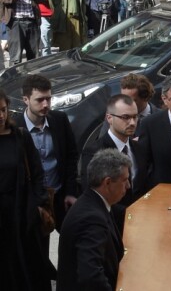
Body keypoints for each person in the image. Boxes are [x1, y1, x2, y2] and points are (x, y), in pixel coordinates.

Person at [0, 90, 55, 291]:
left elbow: (38, 173)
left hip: (21, 215)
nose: (0, 115)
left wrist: (36, 205)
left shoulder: (20, 137)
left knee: (26, 267)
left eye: (3, 110)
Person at [57, 148, 129, 291]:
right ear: (107, 182)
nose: (128, 186)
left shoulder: (93, 201)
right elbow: (91, 277)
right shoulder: (92, 219)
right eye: (125, 180)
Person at [14, 75, 78, 232]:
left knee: (72, 241)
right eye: (39, 100)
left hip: (60, 195)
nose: (45, 104)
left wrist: (70, 192)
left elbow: (71, 156)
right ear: (26, 100)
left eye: (48, 99)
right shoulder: (16, 128)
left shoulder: (60, 120)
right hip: (34, 201)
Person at [79, 94, 147, 233]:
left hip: (141, 223)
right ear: (109, 118)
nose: (133, 122)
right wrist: (129, 213)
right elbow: (93, 194)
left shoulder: (139, 149)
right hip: (110, 225)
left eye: (135, 117)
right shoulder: (94, 152)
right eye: (125, 117)